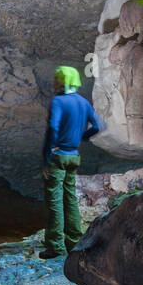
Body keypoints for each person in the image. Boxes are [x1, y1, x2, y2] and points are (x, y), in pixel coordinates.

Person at [40, 65, 105, 259]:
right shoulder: (83, 102)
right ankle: (75, 240)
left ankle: (55, 247)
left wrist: (46, 157)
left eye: (56, 79)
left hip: (58, 155)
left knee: (55, 201)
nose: (53, 82)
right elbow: (99, 125)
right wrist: (82, 137)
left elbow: (53, 128)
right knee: (70, 198)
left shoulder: (59, 101)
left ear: (62, 81)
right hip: (74, 156)